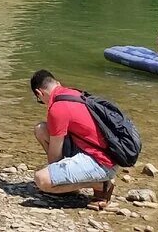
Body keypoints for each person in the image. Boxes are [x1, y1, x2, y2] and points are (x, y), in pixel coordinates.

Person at [29, 69, 116, 209]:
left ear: (39, 93)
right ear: (57, 83)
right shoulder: (74, 93)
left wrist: (55, 180)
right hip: (107, 154)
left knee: (41, 180)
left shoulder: (57, 108)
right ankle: (76, 181)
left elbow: (54, 155)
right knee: (41, 129)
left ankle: (100, 184)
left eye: (40, 100)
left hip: (100, 162)